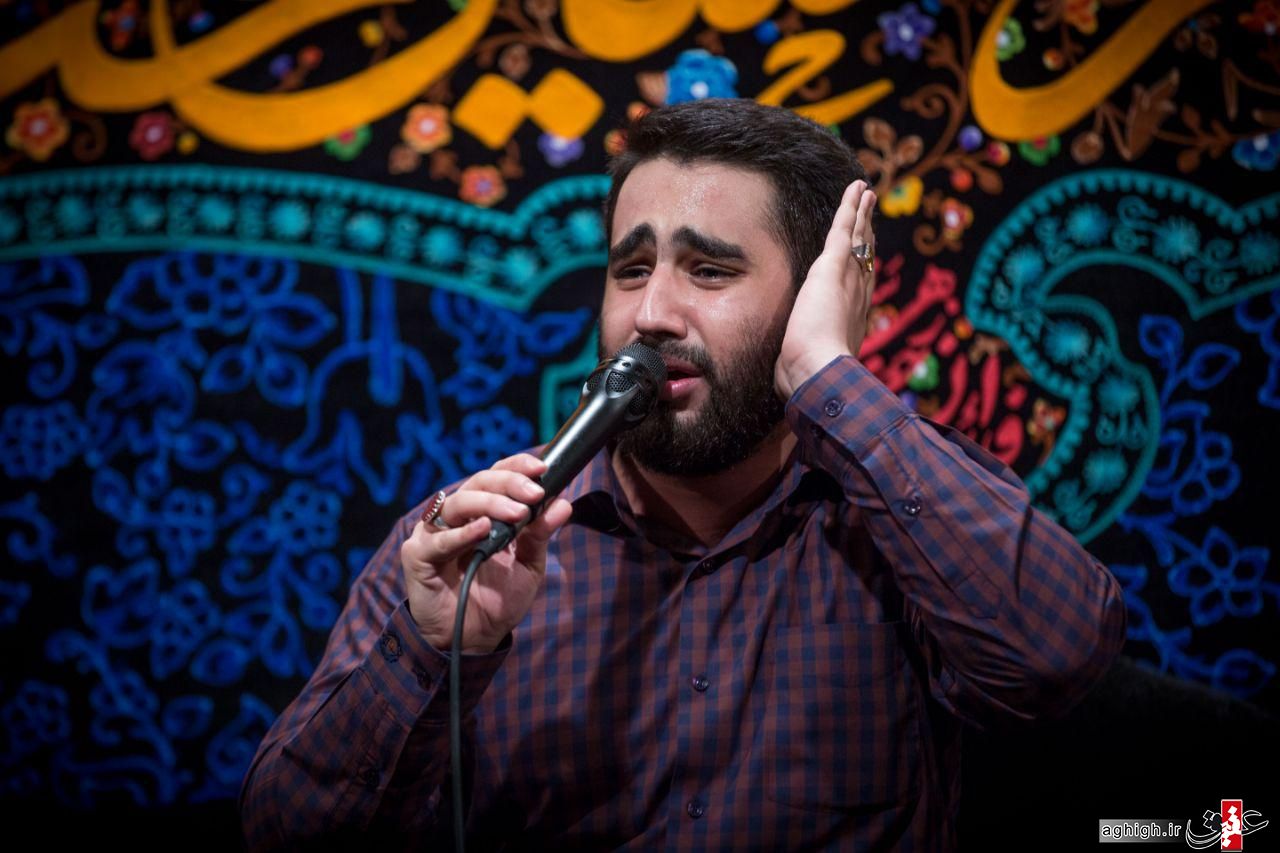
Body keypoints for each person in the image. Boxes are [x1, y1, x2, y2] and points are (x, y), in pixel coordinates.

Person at [239, 99, 1127, 851]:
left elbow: (1056, 660)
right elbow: (283, 836)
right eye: (631, 269)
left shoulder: (899, 525)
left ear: (815, 297)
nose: (652, 313)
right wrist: (438, 651)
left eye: (710, 269)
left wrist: (826, 372)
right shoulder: (470, 549)